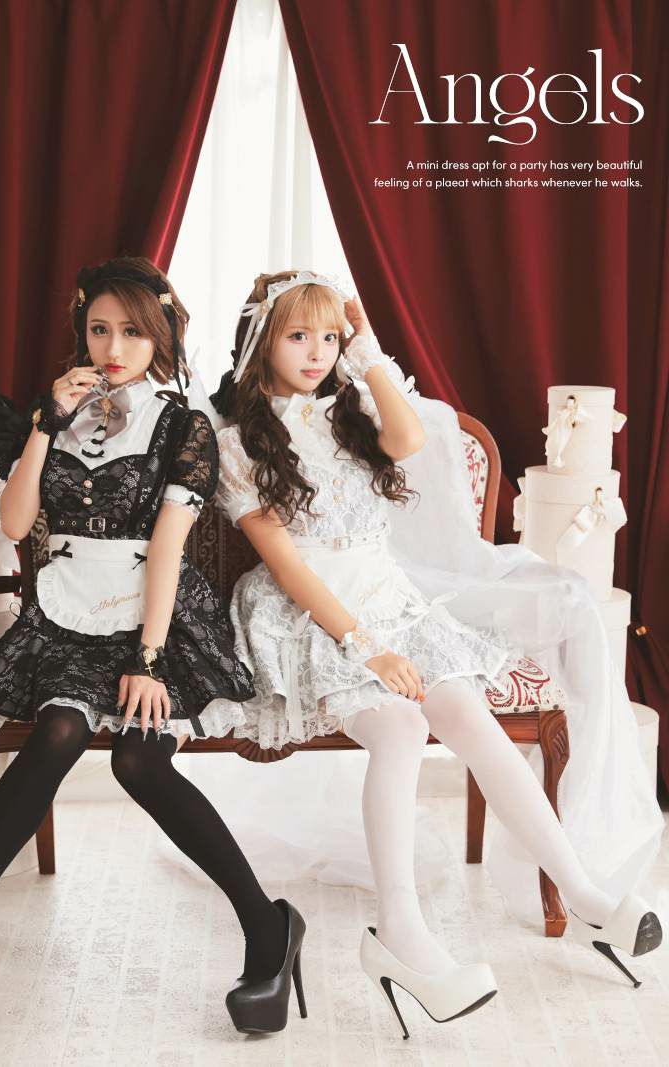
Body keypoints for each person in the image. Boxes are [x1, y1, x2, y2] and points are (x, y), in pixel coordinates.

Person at [206, 269, 663, 1039]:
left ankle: (580, 888)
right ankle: (400, 932)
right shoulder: (236, 442)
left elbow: (410, 439)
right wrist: (364, 647)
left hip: (389, 597)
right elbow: (287, 566)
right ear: (261, 343)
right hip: (311, 614)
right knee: (402, 726)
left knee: (467, 714)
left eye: (329, 336)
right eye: (298, 336)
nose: (317, 352)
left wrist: (368, 352)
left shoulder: (349, 412)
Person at [0, 257, 306, 1039]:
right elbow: (15, 523)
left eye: (132, 332)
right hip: (67, 612)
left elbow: (168, 549)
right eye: (99, 329)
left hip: (154, 618)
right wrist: (43, 424)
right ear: (81, 330)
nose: (114, 348)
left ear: (160, 336)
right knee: (58, 729)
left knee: (138, 761)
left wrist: (148, 661)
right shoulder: (58, 413)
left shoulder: (182, 426)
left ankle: (267, 926)